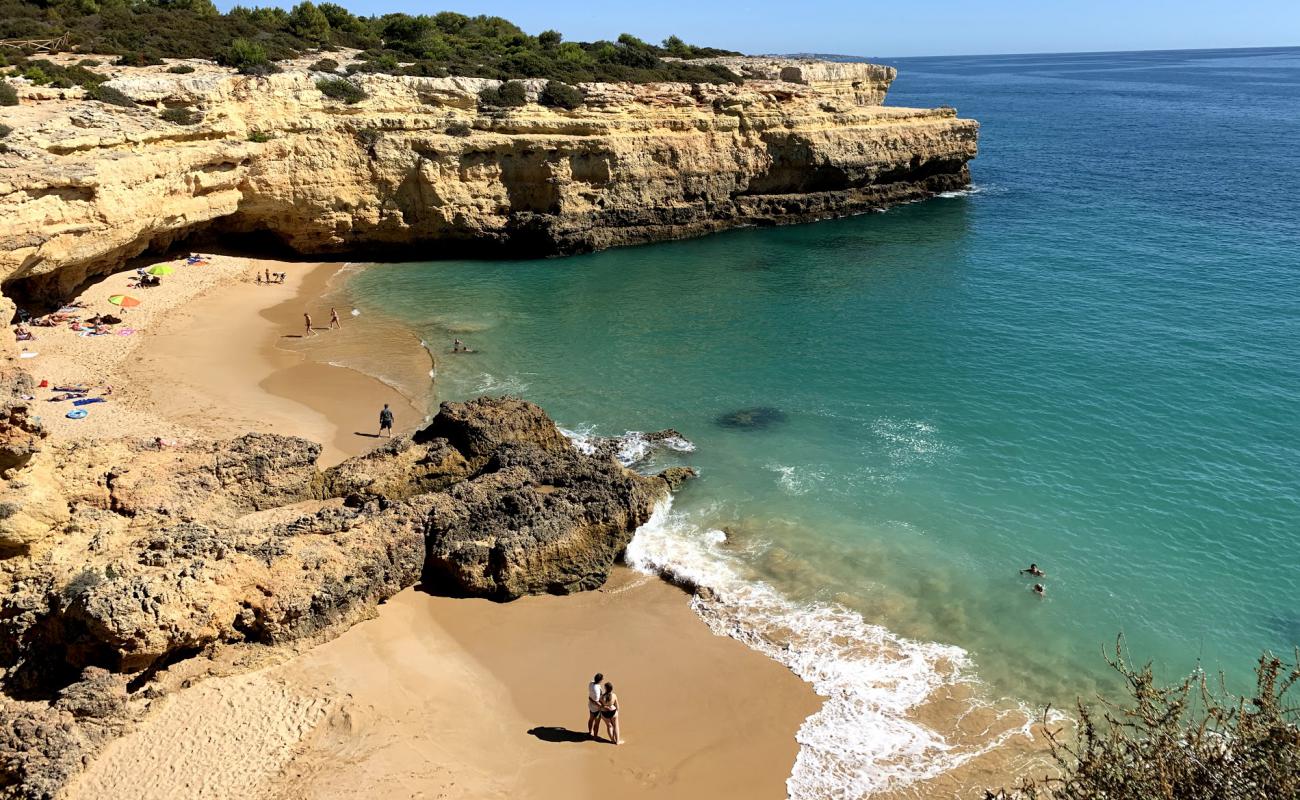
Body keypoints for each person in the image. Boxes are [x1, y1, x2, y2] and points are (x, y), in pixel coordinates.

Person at [587, 673, 605, 739]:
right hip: (596, 709)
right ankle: (595, 736)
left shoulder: (591, 683)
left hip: (590, 706)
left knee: (591, 719)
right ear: (600, 680)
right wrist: (603, 707)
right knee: (597, 723)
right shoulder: (597, 690)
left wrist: (590, 698)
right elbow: (596, 701)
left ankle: (589, 732)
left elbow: (591, 698)